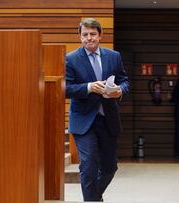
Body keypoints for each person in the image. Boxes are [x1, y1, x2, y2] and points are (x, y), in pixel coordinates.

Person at [66, 18, 129, 201]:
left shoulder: (114, 56)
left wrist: (119, 91)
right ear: (79, 36)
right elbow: (65, 88)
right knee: (88, 165)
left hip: (108, 118)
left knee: (110, 168)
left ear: (100, 35)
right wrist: (88, 87)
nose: (89, 38)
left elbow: (124, 81)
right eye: (84, 35)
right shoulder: (71, 59)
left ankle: (94, 197)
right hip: (83, 120)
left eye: (93, 34)